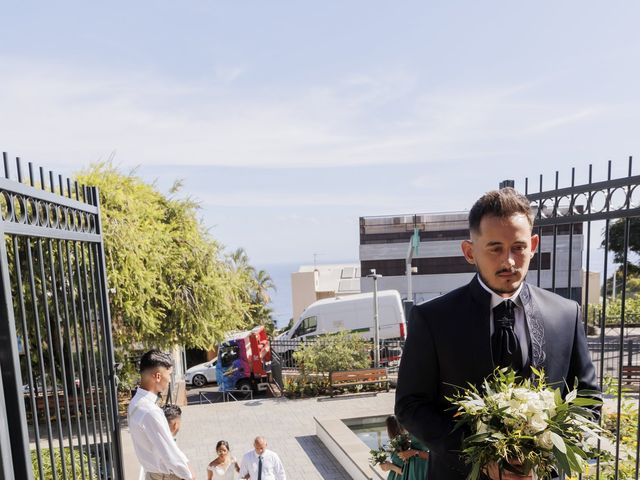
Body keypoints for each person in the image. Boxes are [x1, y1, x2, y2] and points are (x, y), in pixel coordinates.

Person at [395, 187, 598, 480]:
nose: (509, 262)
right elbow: (409, 406)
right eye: (495, 248)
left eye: (518, 247)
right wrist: (482, 456)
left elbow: (589, 400)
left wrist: (545, 457)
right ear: (469, 251)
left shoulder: (566, 314)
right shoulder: (432, 319)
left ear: (534, 245)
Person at [129, 350, 195, 480]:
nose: (170, 379)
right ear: (158, 376)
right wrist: (189, 475)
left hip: (154, 474)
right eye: (169, 374)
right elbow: (169, 453)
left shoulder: (135, 403)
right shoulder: (150, 411)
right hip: (166, 476)